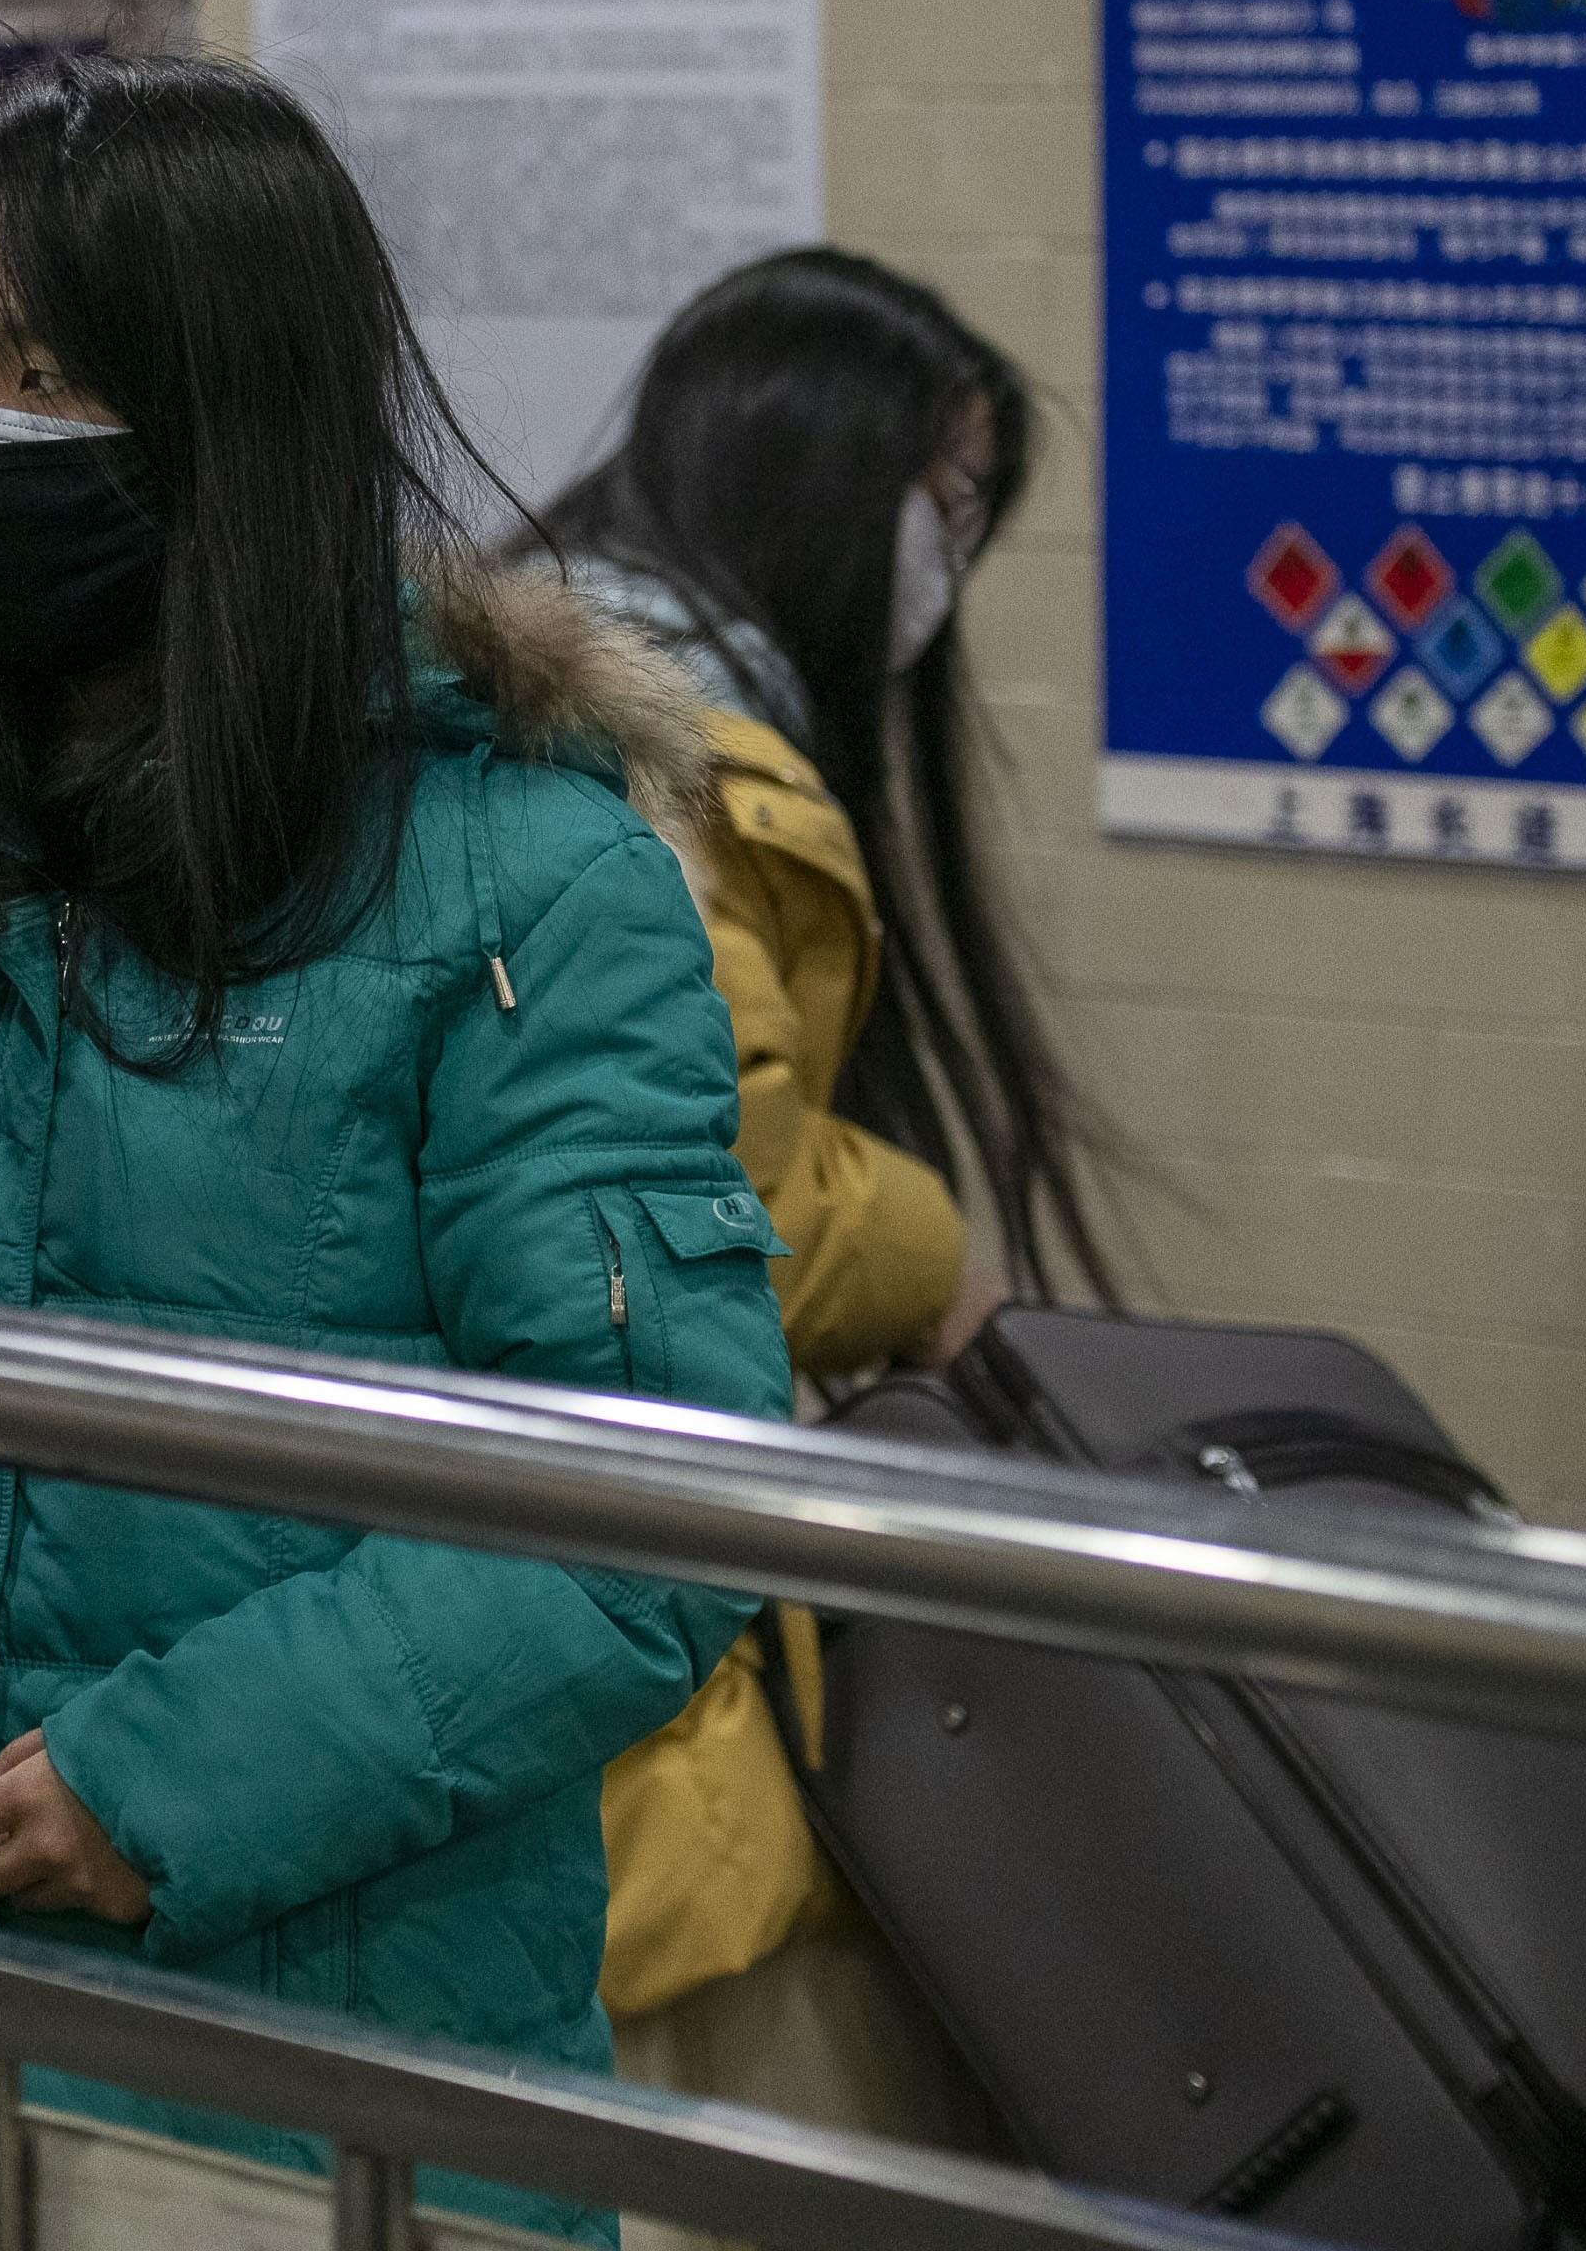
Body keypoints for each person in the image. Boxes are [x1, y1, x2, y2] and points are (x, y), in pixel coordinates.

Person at [0, 54, 793, 2246]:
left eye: (49, 373)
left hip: (300, 2073)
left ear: (233, 405)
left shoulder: (517, 880)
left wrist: (167, 1780)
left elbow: (644, 1504)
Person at [539, 248, 1118, 2183]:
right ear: (807, 475)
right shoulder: (641, 756)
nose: (945, 556)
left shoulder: (622, 693)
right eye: (939, 503)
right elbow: (725, 1189)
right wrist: (943, 1257)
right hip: (636, 1692)